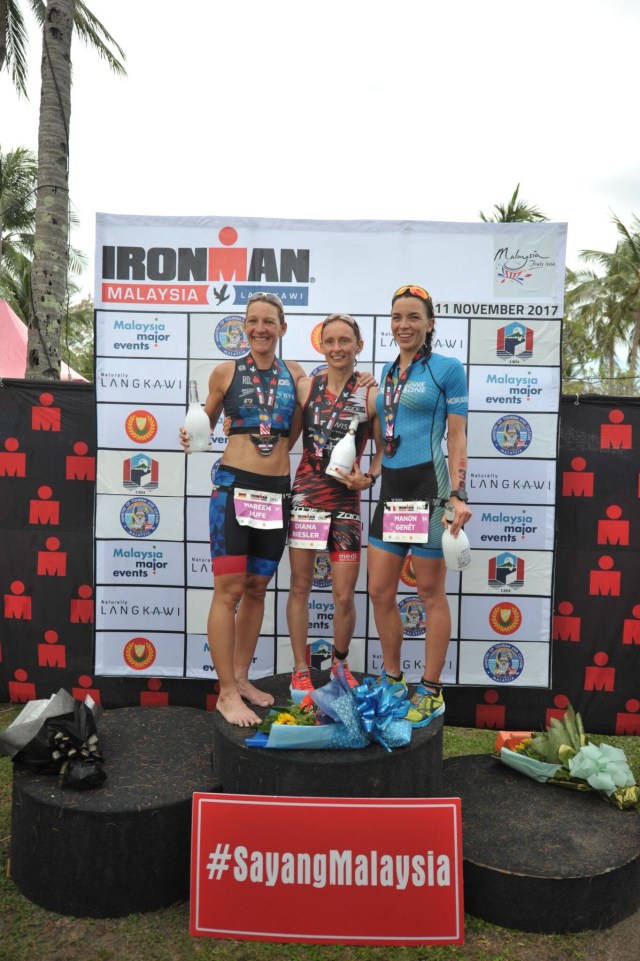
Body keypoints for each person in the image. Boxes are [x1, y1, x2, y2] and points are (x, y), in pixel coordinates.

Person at [180, 292, 305, 727]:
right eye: (253, 321)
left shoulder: (297, 375)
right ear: (244, 328)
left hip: (277, 493)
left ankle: (242, 677)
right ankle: (226, 693)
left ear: (282, 328)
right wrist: (189, 433)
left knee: (256, 589)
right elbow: (204, 423)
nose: (260, 328)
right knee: (228, 591)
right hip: (234, 489)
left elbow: (300, 431)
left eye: (269, 321)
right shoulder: (225, 372)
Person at [367, 284, 472, 727]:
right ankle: (393, 680)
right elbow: (382, 441)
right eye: (397, 317)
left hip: (431, 492)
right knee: (379, 591)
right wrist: (368, 474)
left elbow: (457, 435)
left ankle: (430, 689)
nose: (404, 325)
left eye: (413, 317)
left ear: (430, 324)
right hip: (391, 493)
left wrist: (459, 494)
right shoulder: (386, 376)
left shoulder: (447, 369)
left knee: (430, 595)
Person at [286, 314, 382, 701]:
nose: (338, 348)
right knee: (300, 585)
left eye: (346, 341)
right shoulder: (307, 386)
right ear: (321, 346)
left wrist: (369, 478)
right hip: (307, 497)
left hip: (345, 501)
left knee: (343, 595)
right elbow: (282, 428)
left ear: (358, 346)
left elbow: (382, 452)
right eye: (331, 341)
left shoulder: (370, 393)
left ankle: (340, 666)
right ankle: (299, 670)